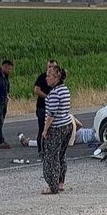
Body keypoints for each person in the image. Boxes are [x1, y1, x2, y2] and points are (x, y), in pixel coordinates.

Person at [41, 65, 73, 195]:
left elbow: (51, 115)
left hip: (57, 128)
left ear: (56, 78)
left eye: (49, 76)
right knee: (61, 156)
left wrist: (45, 130)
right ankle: (60, 182)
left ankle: (52, 185)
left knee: (50, 157)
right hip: (67, 125)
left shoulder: (54, 93)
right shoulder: (64, 89)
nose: (46, 78)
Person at [18, 116, 97, 148]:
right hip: (92, 134)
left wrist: (73, 126)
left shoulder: (69, 119)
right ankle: (29, 142)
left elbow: (80, 126)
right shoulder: (66, 134)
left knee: (49, 142)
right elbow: (70, 143)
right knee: (49, 142)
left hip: (92, 132)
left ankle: (29, 142)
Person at [33, 59, 56, 156]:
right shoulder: (42, 77)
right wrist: (47, 97)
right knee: (42, 128)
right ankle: (40, 149)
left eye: (53, 67)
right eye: (49, 66)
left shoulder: (56, 80)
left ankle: (50, 149)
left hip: (53, 107)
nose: (51, 68)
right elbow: (36, 90)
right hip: (42, 107)